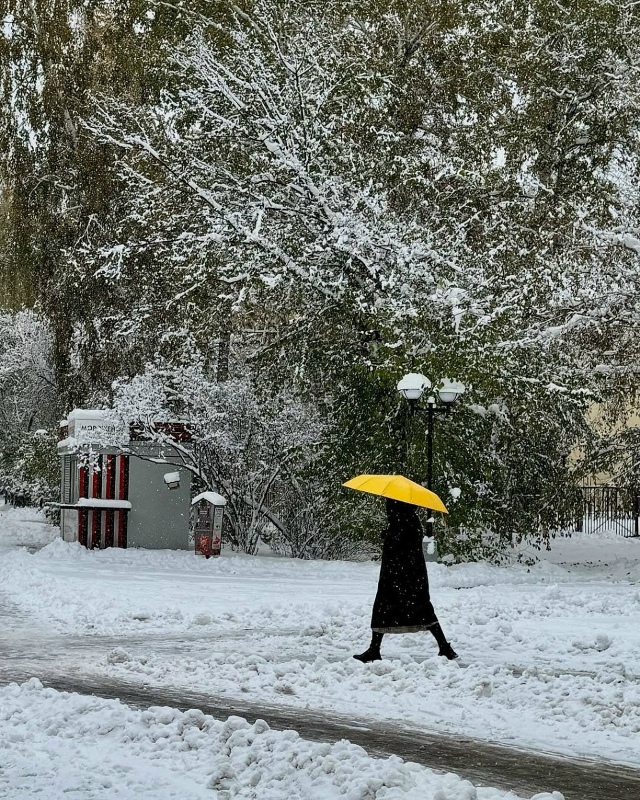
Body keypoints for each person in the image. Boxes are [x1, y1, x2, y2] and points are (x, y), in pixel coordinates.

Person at [354, 498, 458, 663]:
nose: (388, 509)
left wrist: (390, 536)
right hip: (408, 577)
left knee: (388, 609)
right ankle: (444, 647)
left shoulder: (404, 521)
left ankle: (444, 647)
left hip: (401, 576)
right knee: (419, 610)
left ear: (396, 507)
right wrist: (389, 534)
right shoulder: (406, 519)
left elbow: (402, 548)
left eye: (389, 506)